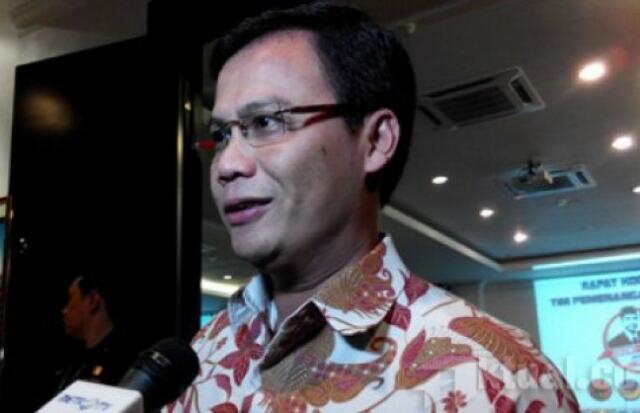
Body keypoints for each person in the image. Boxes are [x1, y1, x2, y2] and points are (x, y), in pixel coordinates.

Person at [166, 3, 578, 412]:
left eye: (266, 122)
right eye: (222, 135)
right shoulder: (205, 350)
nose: (227, 165)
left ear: (377, 141)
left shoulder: (500, 379)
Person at [54, 273, 137, 392]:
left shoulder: (124, 362)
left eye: (70, 298)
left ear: (92, 300)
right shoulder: (74, 360)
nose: (64, 310)